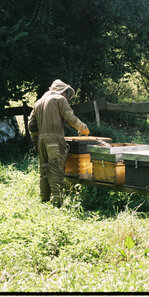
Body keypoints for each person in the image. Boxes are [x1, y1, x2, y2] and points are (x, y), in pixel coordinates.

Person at [28, 79, 90, 207]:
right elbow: (70, 118)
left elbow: (31, 125)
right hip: (55, 140)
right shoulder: (59, 99)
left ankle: (44, 198)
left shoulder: (38, 102)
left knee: (44, 170)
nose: (67, 98)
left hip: (42, 141)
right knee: (56, 169)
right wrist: (83, 128)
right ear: (63, 92)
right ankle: (57, 202)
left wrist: (36, 143)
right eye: (68, 95)